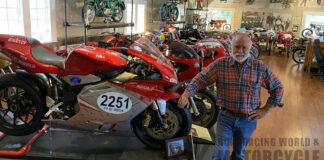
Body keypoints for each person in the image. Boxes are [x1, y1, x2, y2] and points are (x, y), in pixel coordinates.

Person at [178, 33, 284, 160]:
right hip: (225, 118)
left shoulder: (259, 67)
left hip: (248, 120)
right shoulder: (220, 65)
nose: (240, 51)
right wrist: (187, 93)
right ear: (230, 47)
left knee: (239, 154)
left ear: (250, 48)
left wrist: (266, 109)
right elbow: (201, 79)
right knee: (219, 154)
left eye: (244, 47)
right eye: (236, 47)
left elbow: (277, 87)